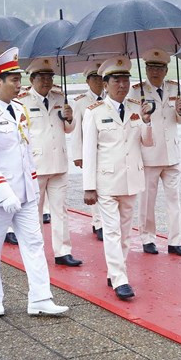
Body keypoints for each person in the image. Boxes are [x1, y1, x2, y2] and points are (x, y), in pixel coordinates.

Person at [0, 47, 68, 318]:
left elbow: (26, 151)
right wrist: (4, 193)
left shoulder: (18, 108)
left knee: (34, 244)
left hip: (25, 192)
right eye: (14, 80)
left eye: (19, 79)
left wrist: (32, 186)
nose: (19, 85)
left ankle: (40, 298)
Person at [82, 56, 153, 300]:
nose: (122, 85)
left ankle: (115, 271)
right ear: (105, 84)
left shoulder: (136, 108)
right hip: (107, 182)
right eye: (116, 81)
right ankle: (120, 279)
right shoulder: (94, 112)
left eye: (125, 80)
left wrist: (147, 122)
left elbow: (147, 142)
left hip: (131, 180)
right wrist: (89, 187)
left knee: (125, 232)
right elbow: (89, 152)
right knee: (111, 231)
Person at [18, 58, 80, 266]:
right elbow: (20, 134)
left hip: (58, 163)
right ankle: (35, 252)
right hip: (35, 164)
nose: (46, 81)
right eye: (42, 78)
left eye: (49, 77)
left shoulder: (60, 97)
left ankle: (63, 252)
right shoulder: (22, 101)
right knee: (34, 211)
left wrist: (69, 118)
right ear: (32, 79)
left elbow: (68, 129)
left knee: (60, 210)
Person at [133, 48, 181, 257]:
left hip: (172, 154)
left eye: (159, 68)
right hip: (149, 154)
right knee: (147, 201)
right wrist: (142, 116)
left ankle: (175, 241)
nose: (155, 72)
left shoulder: (175, 88)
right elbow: (132, 122)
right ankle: (147, 237)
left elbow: (180, 120)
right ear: (146, 69)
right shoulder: (137, 91)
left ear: (166, 70)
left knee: (174, 200)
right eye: (151, 67)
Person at [70, 61, 105, 240]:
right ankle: (98, 223)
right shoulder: (80, 102)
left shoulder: (110, 98)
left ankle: (102, 222)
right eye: (94, 78)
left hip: (107, 151)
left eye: (101, 78)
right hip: (89, 151)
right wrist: (78, 155)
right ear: (87, 81)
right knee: (93, 186)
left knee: (105, 187)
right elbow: (76, 131)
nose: (98, 81)